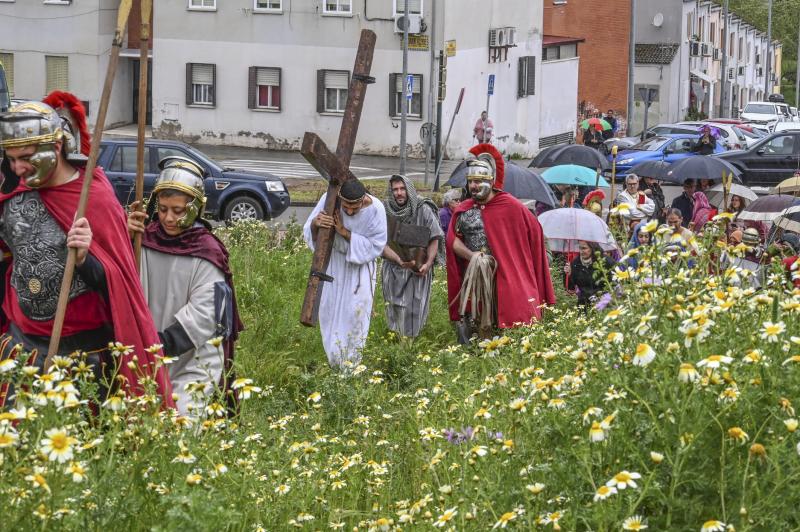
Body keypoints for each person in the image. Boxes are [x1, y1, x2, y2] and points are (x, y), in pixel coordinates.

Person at [0, 95, 173, 408]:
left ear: (54, 147)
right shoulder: (11, 195)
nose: (18, 167)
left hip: (81, 353)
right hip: (19, 344)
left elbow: (120, 282)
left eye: (24, 156)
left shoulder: (92, 195)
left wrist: (84, 259)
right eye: (11, 159)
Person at [126, 157, 243, 415]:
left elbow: (208, 315)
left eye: (178, 211)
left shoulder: (208, 251)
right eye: (164, 208)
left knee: (181, 421)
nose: (168, 217)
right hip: (147, 353)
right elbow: (120, 280)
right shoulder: (142, 240)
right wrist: (124, 237)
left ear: (194, 208)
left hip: (193, 358)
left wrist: (160, 343)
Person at [446, 144, 555, 342]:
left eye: (479, 181)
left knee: (514, 329)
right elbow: (452, 241)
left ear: (491, 181)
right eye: (471, 182)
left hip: (508, 276)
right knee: (478, 330)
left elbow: (535, 234)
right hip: (477, 279)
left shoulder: (511, 206)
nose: (474, 187)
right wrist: (472, 257)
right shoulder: (464, 209)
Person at [303, 179, 387, 368]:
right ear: (340, 198)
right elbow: (310, 230)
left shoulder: (376, 208)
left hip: (360, 271)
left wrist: (344, 232)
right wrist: (317, 223)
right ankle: (334, 362)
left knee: (355, 314)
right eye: (346, 207)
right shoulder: (330, 199)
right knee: (328, 310)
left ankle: (351, 365)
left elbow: (377, 245)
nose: (349, 212)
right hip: (334, 264)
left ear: (363, 199)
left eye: (354, 208)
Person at [381, 175, 443, 338]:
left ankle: (411, 343)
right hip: (393, 268)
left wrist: (428, 264)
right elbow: (379, 241)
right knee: (394, 306)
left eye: (402, 189)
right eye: (395, 189)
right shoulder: (384, 210)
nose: (399, 193)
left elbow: (434, 237)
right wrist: (398, 260)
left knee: (414, 308)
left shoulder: (423, 209)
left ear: (409, 190)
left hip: (417, 269)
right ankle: (396, 340)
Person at [564, 241, 615, 306]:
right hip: (584, 304)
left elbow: (616, 282)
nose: (581, 251)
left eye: (584, 248)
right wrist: (569, 275)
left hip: (605, 303)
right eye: (580, 248)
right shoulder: (575, 263)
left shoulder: (606, 261)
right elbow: (570, 288)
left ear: (592, 248)